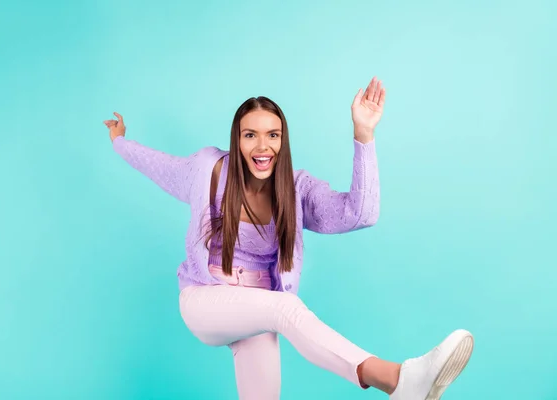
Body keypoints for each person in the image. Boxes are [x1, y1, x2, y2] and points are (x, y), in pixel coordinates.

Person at [104, 76, 474, 400]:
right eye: (250, 135)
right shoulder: (208, 171)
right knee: (285, 309)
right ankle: (397, 379)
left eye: (272, 135)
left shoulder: (296, 190)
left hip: (257, 307)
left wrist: (364, 135)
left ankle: (402, 383)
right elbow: (156, 164)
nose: (262, 147)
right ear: (237, 138)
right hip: (204, 299)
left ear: (283, 140)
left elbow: (361, 213)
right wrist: (120, 142)